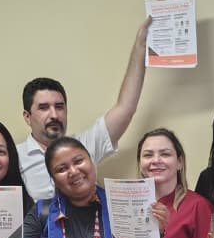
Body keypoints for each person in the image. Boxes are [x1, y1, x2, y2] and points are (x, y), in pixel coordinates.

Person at [17, 19, 151, 200]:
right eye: (44, 108)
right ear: (27, 116)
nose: (54, 115)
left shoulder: (84, 145)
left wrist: (141, 46)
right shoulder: (14, 156)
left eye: (59, 106)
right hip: (38, 219)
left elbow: (126, 108)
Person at [137, 128, 212, 238]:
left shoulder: (197, 206)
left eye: (165, 154)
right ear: (140, 164)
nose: (156, 160)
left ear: (179, 162)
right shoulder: (134, 207)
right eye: (148, 155)